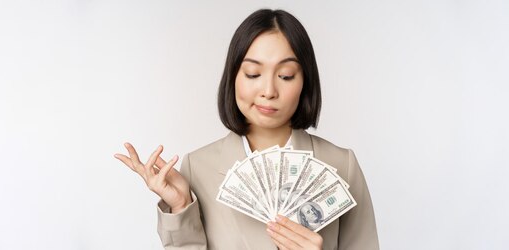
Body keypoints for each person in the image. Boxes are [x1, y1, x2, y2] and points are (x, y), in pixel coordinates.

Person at [114, 9, 379, 250]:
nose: (268, 91)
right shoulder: (198, 167)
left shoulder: (342, 165)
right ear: (233, 77)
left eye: (286, 75)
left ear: (305, 82)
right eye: (253, 74)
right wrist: (181, 206)